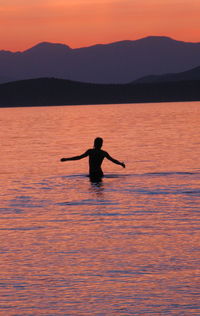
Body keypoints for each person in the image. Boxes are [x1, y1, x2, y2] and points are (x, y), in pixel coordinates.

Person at [60, 137, 125, 181]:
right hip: (99, 173)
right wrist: (121, 164)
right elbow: (113, 160)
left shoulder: (90, 151)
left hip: (92, 174)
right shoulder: (103, 153)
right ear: (101, 144)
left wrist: (66, 159)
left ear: (94, 144)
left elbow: (79, 157)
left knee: (93, 189)